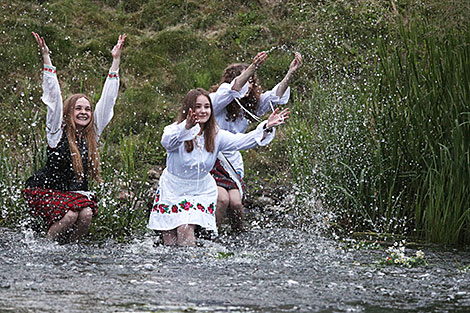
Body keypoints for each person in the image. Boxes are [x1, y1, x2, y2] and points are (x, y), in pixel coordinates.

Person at [147, 88, 289, 247]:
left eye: (207, 107)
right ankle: (176, 269)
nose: (203, 111)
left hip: (198, 190)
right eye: (198, 107)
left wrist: (266, 127)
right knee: (169, 240)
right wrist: (187, 126)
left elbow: (241, 141)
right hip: (172, 190)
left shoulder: (216, 135)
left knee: (185, 229)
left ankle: (192, 268)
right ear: (189, 109)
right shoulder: (174, 130)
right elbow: (167, 142)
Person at [22, 32, 126, 242]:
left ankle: (72, 252)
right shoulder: (56, 132)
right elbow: (53, 97)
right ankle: (46, 247)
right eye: (78, 108)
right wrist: (46, 58)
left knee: (86, 214)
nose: (84, 112)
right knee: (70, 214)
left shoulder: (91, 135)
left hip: (73, 194)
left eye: (87, 109)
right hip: (47, 191)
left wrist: (116, 61)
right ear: (69, 112)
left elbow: (107, 101)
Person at [209, 51, 302, 232]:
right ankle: (212, 237)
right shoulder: (217, 102)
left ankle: (239, 238)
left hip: (232, 160)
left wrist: (290, 73)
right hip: (212, 158)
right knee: (222, 200)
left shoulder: (249, 106)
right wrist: (253, 68)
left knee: (236, 204)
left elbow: (274, 96)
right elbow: (233, 89)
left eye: (252, 81)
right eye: (247, 79)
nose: (249, 85)